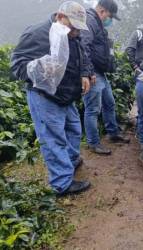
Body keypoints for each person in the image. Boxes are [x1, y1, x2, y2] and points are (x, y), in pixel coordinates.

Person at [11, 1, 92, 195]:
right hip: (45, 96)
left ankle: (71, 161)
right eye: (73, 27)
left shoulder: (71, 33)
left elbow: (81, 53)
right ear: (59, 16)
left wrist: (84, 73)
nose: (76, 33)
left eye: (78, 29)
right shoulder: (37, 33)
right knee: (53, 138)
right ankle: (62, 183)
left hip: (66, 95)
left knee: (74, 129)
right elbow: (17, 66)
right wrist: (38, 69)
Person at [81, 0, 130, 156]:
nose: (109, 20)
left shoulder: (98, 23)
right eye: (109, 16)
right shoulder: (89, 20)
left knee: (109, 103)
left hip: (100, 72)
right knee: (93, 109)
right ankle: (93, 143)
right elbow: (84, 47)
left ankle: (112, 133)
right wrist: (88, 73)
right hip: (93, 73)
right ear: (101, 11)